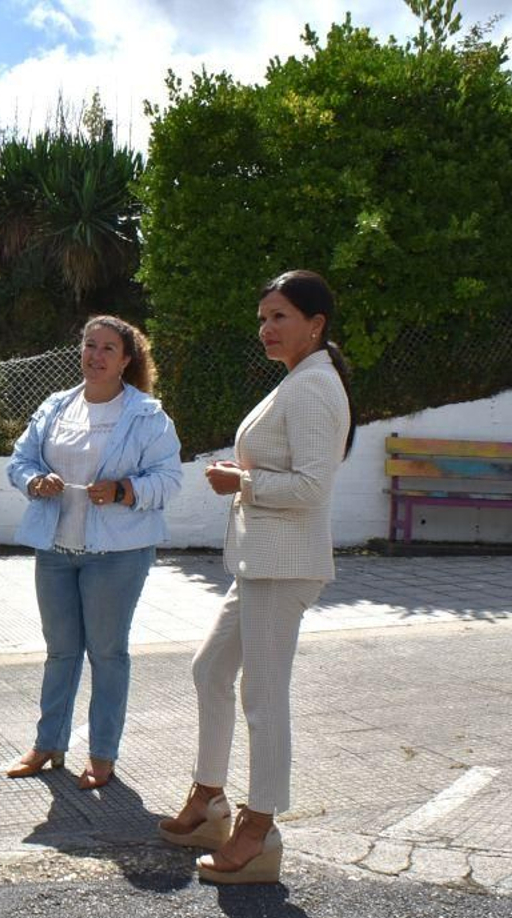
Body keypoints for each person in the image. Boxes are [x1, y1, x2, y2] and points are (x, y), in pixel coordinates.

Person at [158, 270, 356, 883]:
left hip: (284, 564)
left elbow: (313, 487)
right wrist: (243, 479)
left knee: (263, 700)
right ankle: (210, 797)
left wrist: (239, 482)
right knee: (210, 669)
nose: (266, 328)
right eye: (263, 317)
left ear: (316, 324)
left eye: (280, 317)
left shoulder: (313, 387)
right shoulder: (299, 382)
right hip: (261, 562)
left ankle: (258, 825)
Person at [4, 316, 183, 789]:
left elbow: (169, 480)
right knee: (60, 652)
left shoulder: (147, 415)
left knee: (107, 653)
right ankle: (48, 745)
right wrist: (34, 481)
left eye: (108, 349)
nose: (95, 356)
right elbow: (20, 461)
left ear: (127, 360)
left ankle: (102, 756)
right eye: (89, 345)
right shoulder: (55, 407)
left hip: (118, 553)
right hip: (56, 549)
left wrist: (124, 490)